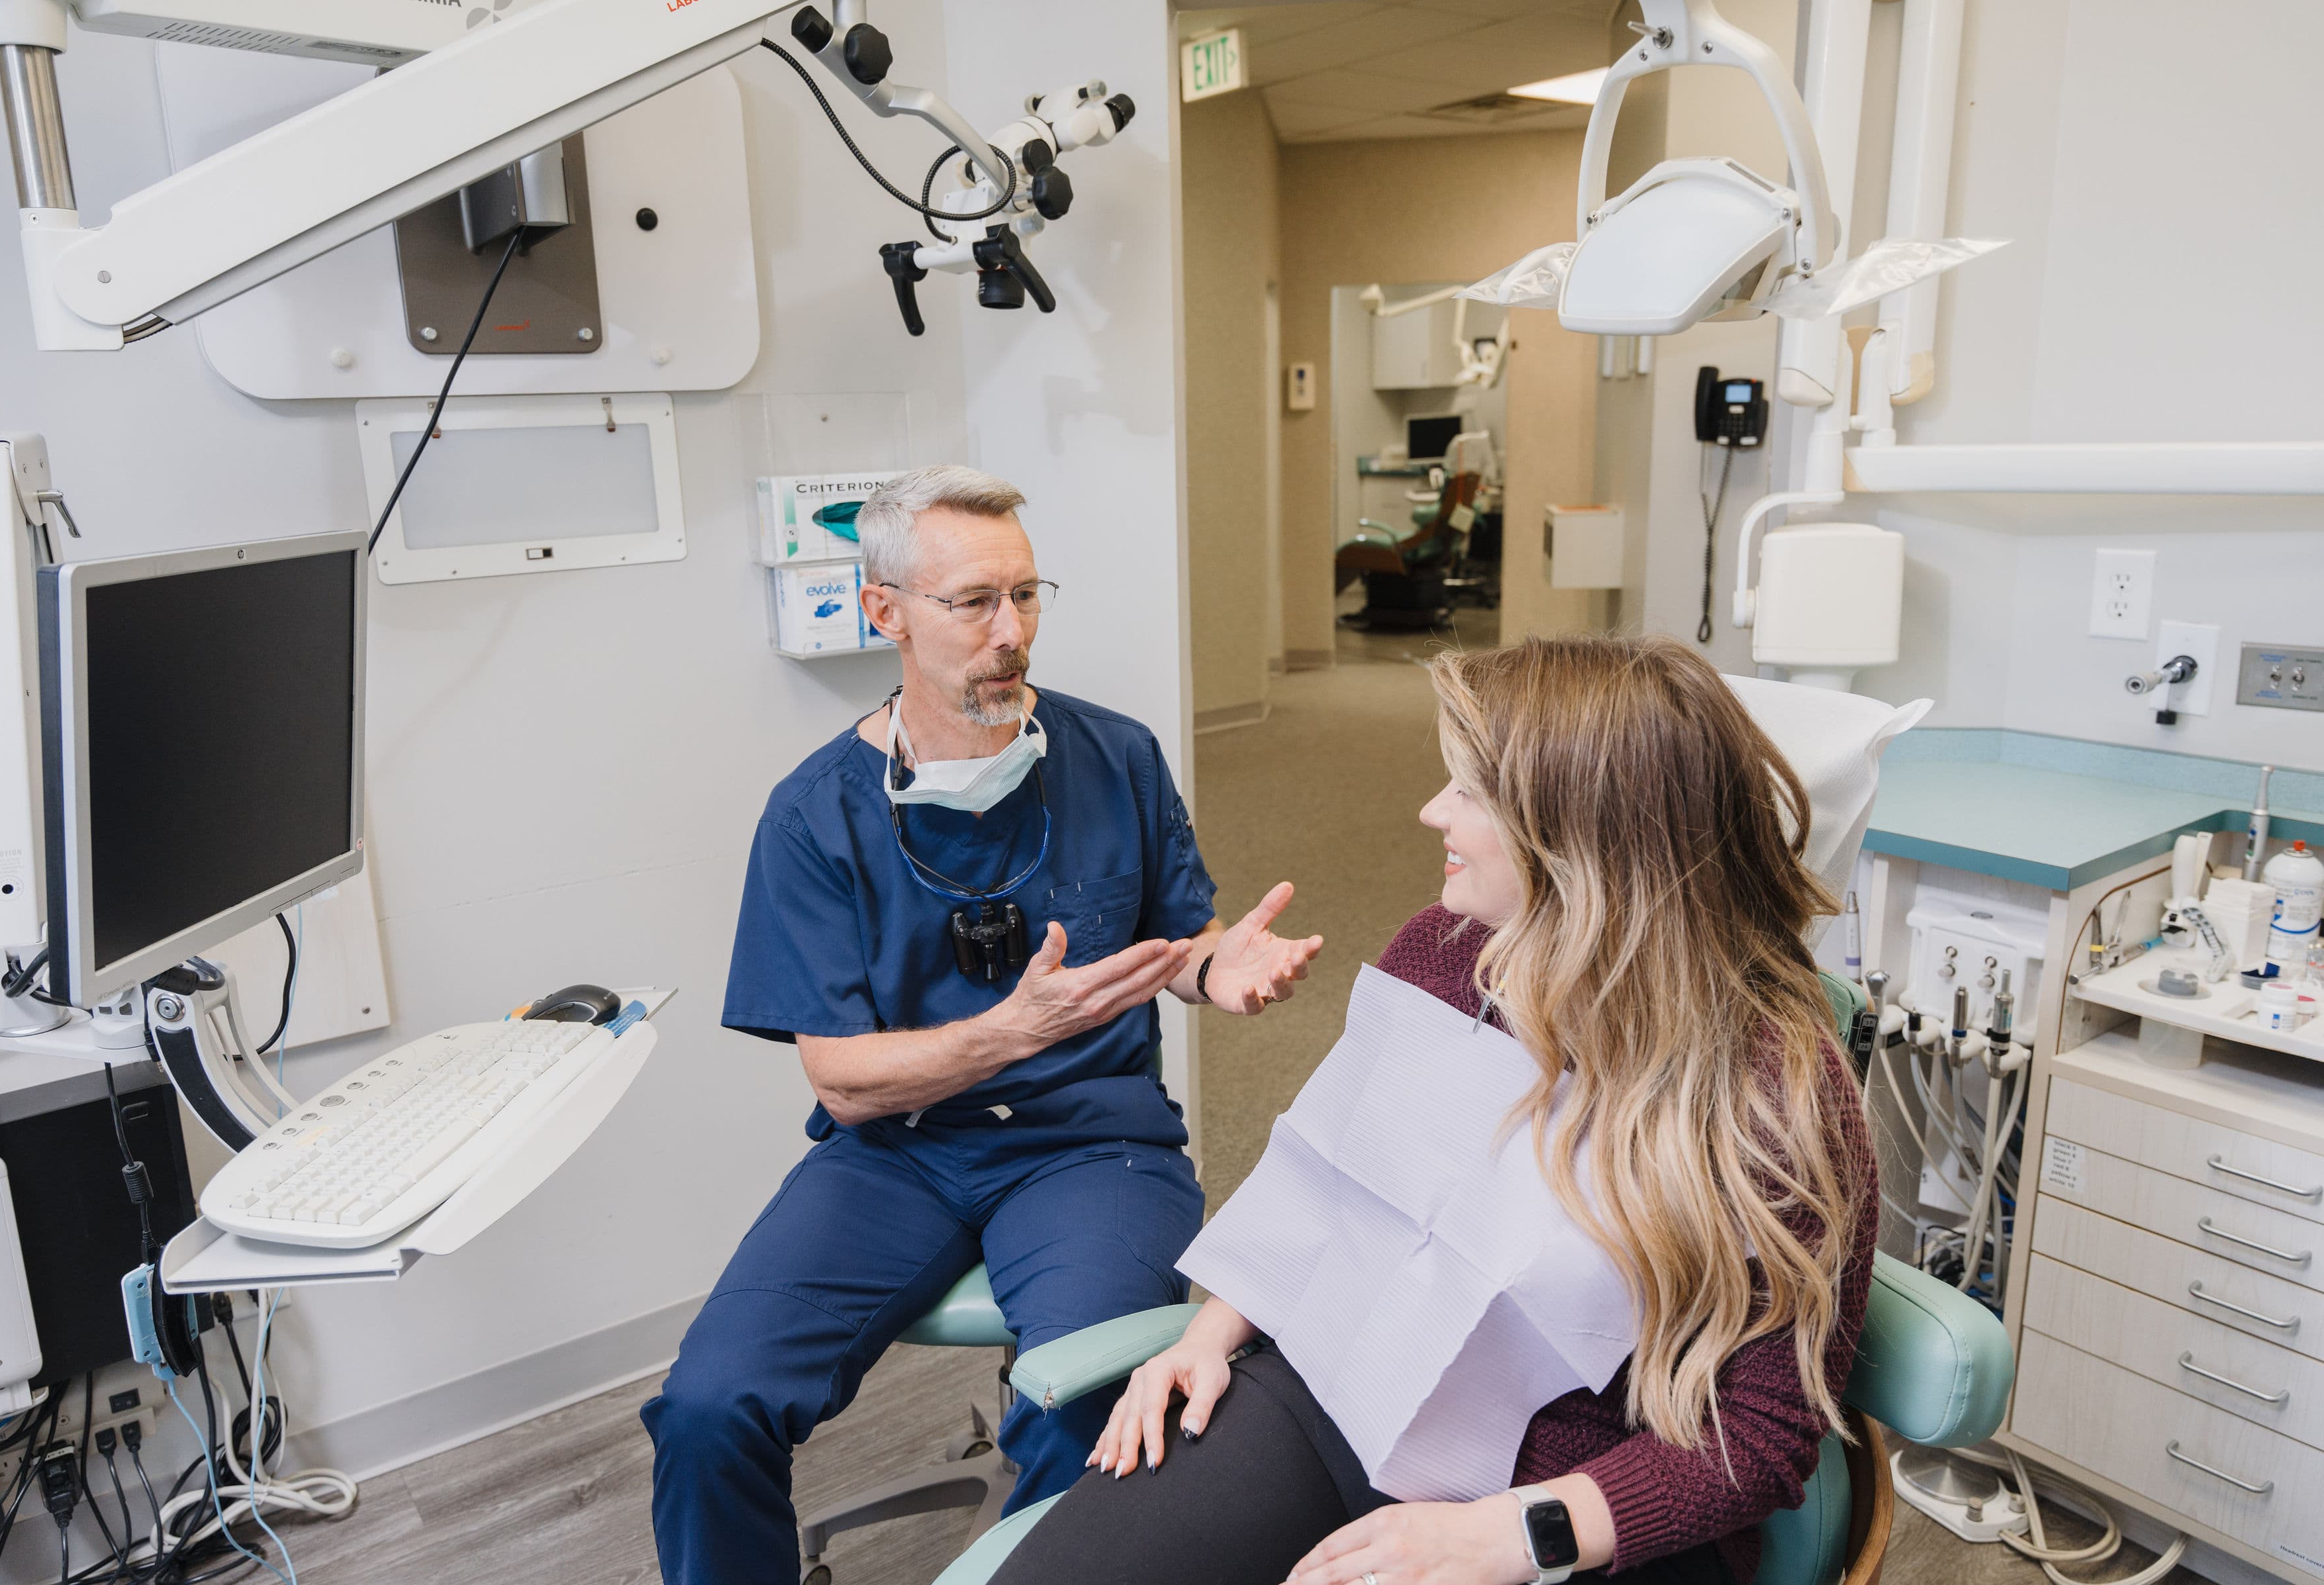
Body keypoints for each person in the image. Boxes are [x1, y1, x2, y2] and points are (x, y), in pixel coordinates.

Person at [990, 634, 1878, 1585]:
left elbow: (1762, 1436)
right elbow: (1326, 1182)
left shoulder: (1779, 1092)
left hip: (1578, 1489)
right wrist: (1206, 1338)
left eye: (1468, 793)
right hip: (1348, 1385)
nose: (1430, 812)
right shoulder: (1445, 954)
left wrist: (1510, 1535)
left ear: (1578, 832)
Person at [642, 465, 1325, 1585]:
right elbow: (845, 1083)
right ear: (886, 613)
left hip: (1090, 1145)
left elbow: (1176, 946)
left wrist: (1218, 972)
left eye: (1026, 594)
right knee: (710, 1408)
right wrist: (1010, 1031)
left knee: (1094, 1402)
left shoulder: (1117, 756)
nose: (1010, 631)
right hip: (895, 1155)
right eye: (973, 603)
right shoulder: (815, 817)